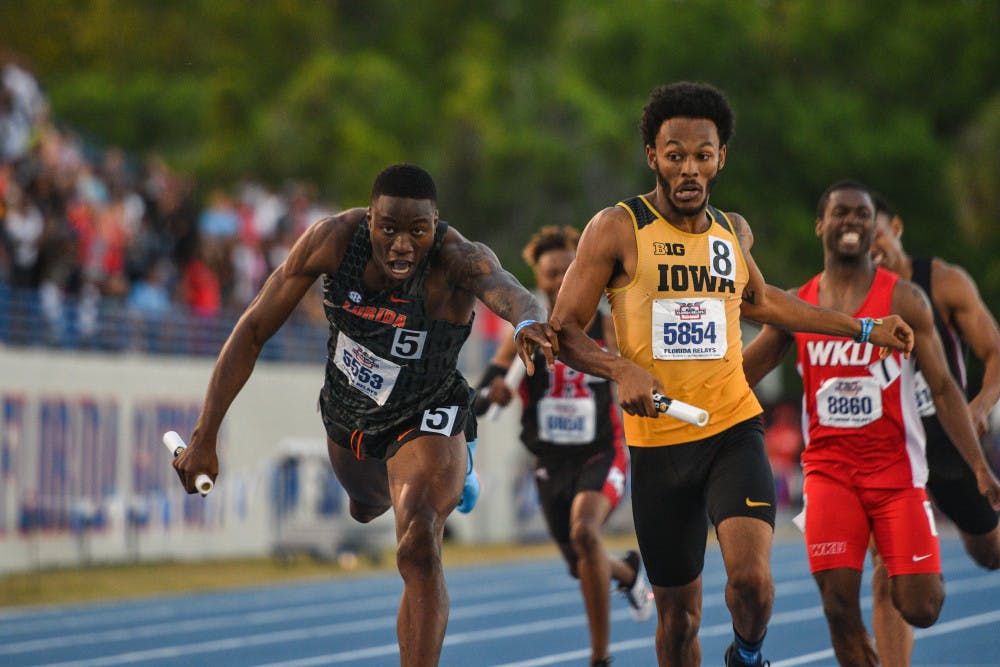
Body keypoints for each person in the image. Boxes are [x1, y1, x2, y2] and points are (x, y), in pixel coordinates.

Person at [547, 82, 915, 667]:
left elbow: (766, 303)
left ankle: (747, 655)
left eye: (702, 154)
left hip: (731, 430)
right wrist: (621, 369)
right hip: (658, 447)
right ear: (653, 157)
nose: (689, 168)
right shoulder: (617, 228)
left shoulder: (728, 234)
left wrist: (864, 329)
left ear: (721, 158)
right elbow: (562, 330)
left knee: (752, 586)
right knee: (678, 623)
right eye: (675, 155)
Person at [171, 163, 558, 666]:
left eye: (417, 231)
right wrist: (205, 436)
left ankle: (456, 461)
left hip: (428, 411)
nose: (401, 245)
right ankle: (447, 477)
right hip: (349, 416)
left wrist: (528, 321)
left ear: (435, 225)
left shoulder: (458, 259)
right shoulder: (333, 240)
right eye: (388, 229)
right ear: (369, 219)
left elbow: (511, 291)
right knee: (366, 506)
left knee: (418, 543)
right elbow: (252, 331)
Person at [741, 180, 1000, 666]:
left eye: (862, 214)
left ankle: (912, 569)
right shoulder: (800, 303)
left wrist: (981, 468)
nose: (852, 222)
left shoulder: (906, 300)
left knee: (923, 606)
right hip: (829, 473)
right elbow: (741, 374)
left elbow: (944, 388)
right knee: (838, 604)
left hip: (896, 472)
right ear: (821, 225)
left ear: (876, 226)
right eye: (841, 213)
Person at [475, 225, 653, 667]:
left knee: (584, 532)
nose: (557, 281)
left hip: (600, 451)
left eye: (565, 270)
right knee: (582, 562)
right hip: (550, 460)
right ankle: (627, 571)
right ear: (537, 278)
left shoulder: (604, 324)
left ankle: (599, 657)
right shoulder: (526, 328)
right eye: (548, 274)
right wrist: (492, 391)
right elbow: (488, 384)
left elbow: (635, 371)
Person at [865, 192, 1000, 667]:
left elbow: (995, 351)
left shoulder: (943, 283)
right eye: (861, 240)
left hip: (949, 444)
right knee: (889, 574)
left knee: (990, 553)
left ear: (896, 227)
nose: (870, 246)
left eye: (876, 231)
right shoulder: (850, 296)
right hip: (893, 453)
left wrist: (981, 404)